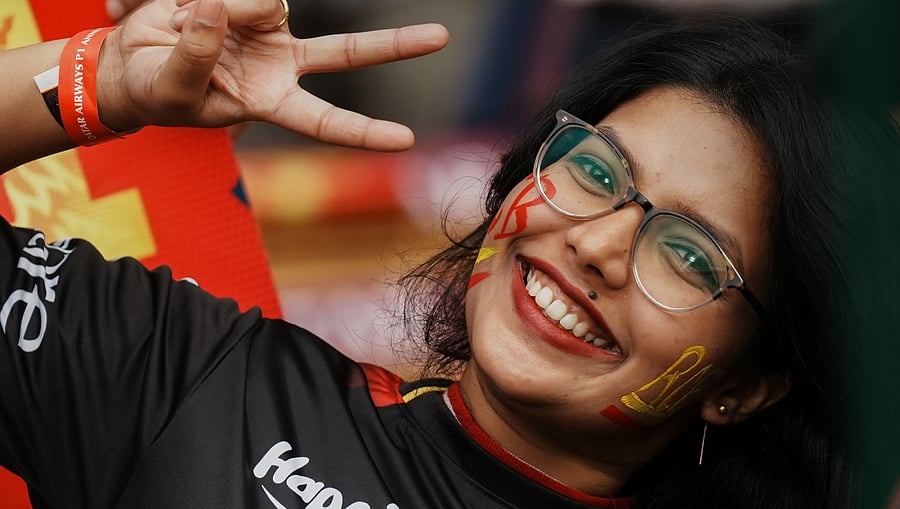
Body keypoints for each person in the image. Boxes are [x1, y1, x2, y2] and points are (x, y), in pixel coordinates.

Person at [0, 0, 893, 507]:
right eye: (595, 171)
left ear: (748, 383)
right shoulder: (208, 384)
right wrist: (100, 81)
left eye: (691, 256)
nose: (597, 243)